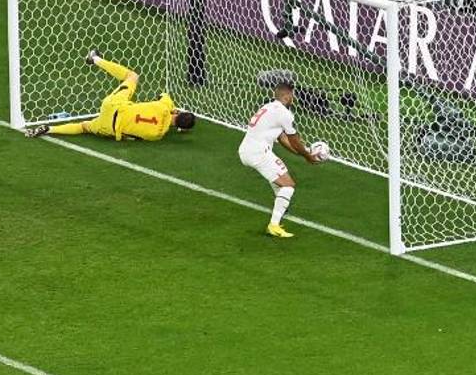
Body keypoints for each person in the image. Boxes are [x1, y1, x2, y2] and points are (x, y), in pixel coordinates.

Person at [25, 50, 196, 140]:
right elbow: (135, 136)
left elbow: (162, 95)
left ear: (178, 113)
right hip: (110, 128)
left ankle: (94, 59)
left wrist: (171, 108)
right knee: (83, 127)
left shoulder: (164, 107)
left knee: (132, 76)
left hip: (114, 106)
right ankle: (50, 129)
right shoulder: (157, 136)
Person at [237, 75, 321, 239]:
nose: (294, 99)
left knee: (280, 179)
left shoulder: (268, 107)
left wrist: (301, 153)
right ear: (287, 95)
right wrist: (307, 156)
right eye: (293, 95)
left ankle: (281, 206)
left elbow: (282, 139)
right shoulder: (284, 113)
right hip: (259, 152)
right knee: (288, 185)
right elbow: (293, 139)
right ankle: (274, 225)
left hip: (247, 149)